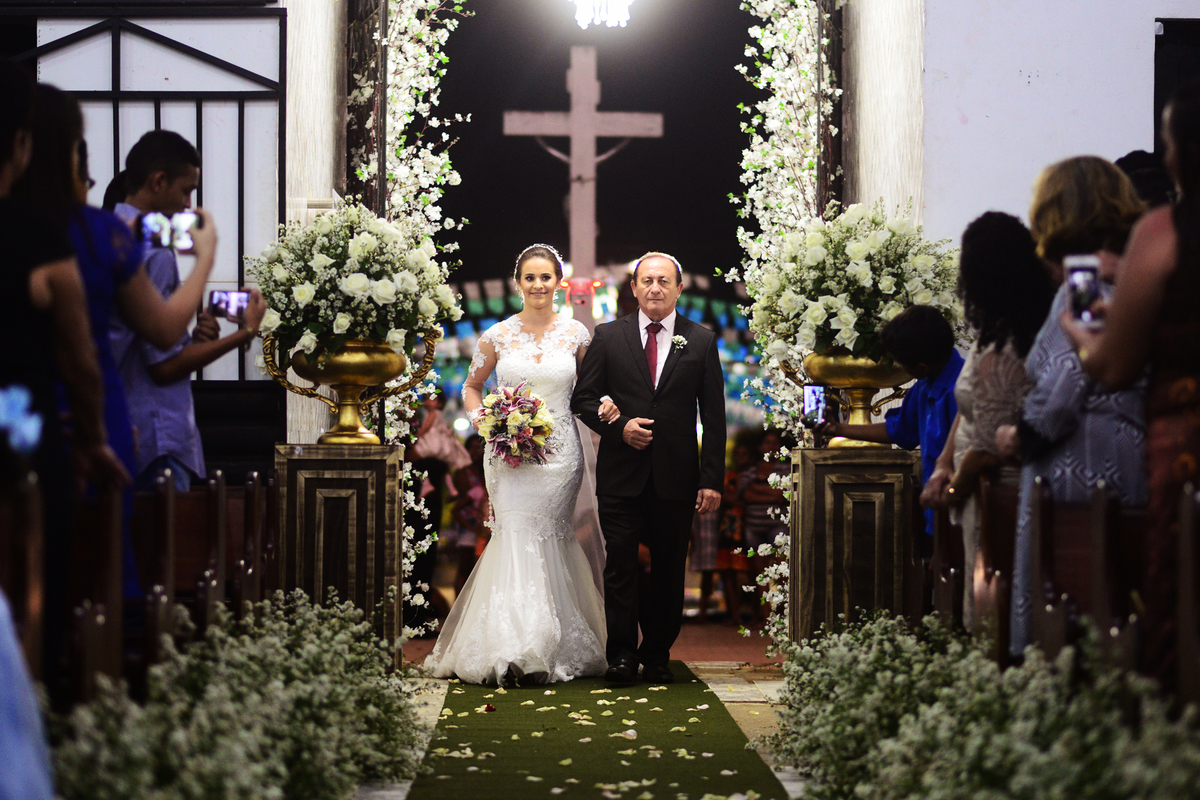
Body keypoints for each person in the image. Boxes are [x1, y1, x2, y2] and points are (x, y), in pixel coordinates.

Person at [12, 84, 224, 599]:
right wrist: (206, 261)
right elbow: (144, 338)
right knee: (106, 571)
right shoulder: (95, 234)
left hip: (18, 416)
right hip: (87, 424)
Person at [425, 244, 617, 685]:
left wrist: (608, 404)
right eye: (529, 278)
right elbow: (473, 387)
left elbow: (590, 391)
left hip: (558, 455)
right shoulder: (496, 336)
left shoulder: (577, 336)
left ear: (558, 282)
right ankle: (511, 645)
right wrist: (485, 422)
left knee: (550, 534)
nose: (537, 285)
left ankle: (550, 643)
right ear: (518, 284)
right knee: (512, 532)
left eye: (545, 277)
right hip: (506, 454)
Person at [1063, 78, 1200, 688]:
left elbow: (1114, 366)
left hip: (1184, 441)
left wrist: (1080, 335)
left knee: (1180, 591)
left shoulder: (1165, 233)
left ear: (1180, 154)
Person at [0, 61, 129, 705]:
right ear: (20, 146)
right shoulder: (36, 235)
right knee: (33, 585)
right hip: (19, 431)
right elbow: (79, 358)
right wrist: (93, 439)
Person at [998, 155, 1147, 659]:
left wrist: (1019, 434)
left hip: (1081, 470)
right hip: (1125, 457)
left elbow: (1065, 385)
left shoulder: (1083, 288)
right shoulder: (1130, 278)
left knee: (1071, 624)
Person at [572, 252, 727, 684]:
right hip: (622, 474)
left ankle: (657, 652)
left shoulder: (701, 340)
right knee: (620, 563)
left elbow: (714, 418)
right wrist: (620, 427)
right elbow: (583, 400)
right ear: (635, 288)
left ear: (679, 288)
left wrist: (711, 479)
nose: (655, 288)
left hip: (677, 477)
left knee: (669, 568)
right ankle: (621, 654)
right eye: (647, 281)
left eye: (664, 281)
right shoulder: (608, 336)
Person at [110, 130, 265, 490]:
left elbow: (146, 338)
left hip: (116, 422)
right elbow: (164, 367)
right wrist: (245, 332)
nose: (188, 204)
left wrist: (191, 341)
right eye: (186, 190)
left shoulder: (109, 233)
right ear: (158, 181)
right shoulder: (155, 255)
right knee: (166, 543)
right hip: (156, 434)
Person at [922, 212, 1055, 630]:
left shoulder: (1012, 341)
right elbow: (968, 408)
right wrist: (944, 462)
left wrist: (954, 490)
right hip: (971, 479)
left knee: (990, 612)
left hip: (998, 492)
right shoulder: (990, 334)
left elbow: (988, 448)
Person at [817, 305, 964, 542]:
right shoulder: (926, 383)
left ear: (921, 367)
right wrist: (838, 429)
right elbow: (900, 430)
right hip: (933, 518)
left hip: (956, 519)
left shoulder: (960, 390)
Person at [449, 433, 489, 597]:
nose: (475, 451)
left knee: (481, 567)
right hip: (468, 525)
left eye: (478, 447)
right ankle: (457, 606)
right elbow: (461, 502)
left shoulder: (487, 471)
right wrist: (472, 527)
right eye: (471, 447)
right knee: (465, 567)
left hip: (485, 527)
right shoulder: (463, 473)